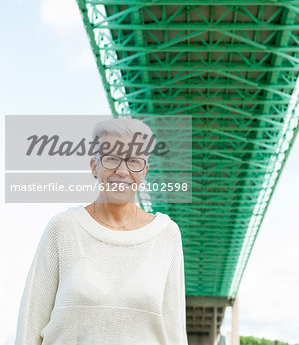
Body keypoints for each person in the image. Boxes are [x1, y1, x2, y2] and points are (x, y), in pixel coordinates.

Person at [15, 117, 188, 344]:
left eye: (133, 161)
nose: (122, 171)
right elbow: (30, 325)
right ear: (94, 166)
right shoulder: (62, 228)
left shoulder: (167, 235)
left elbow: (174, 333)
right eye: (112, 159)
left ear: (144, 171)